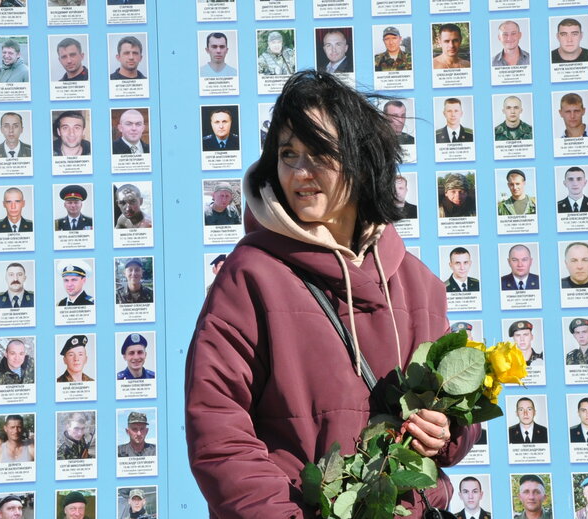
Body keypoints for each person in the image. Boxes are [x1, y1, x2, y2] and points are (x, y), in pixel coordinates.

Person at [185, 70, 480, 516]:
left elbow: (454, 415)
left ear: (362, 160)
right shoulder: (249, 277)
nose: (300, 173)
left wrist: (447, 431)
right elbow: (217, 430)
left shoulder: (418, 282)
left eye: (319, 153)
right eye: (288, 154)